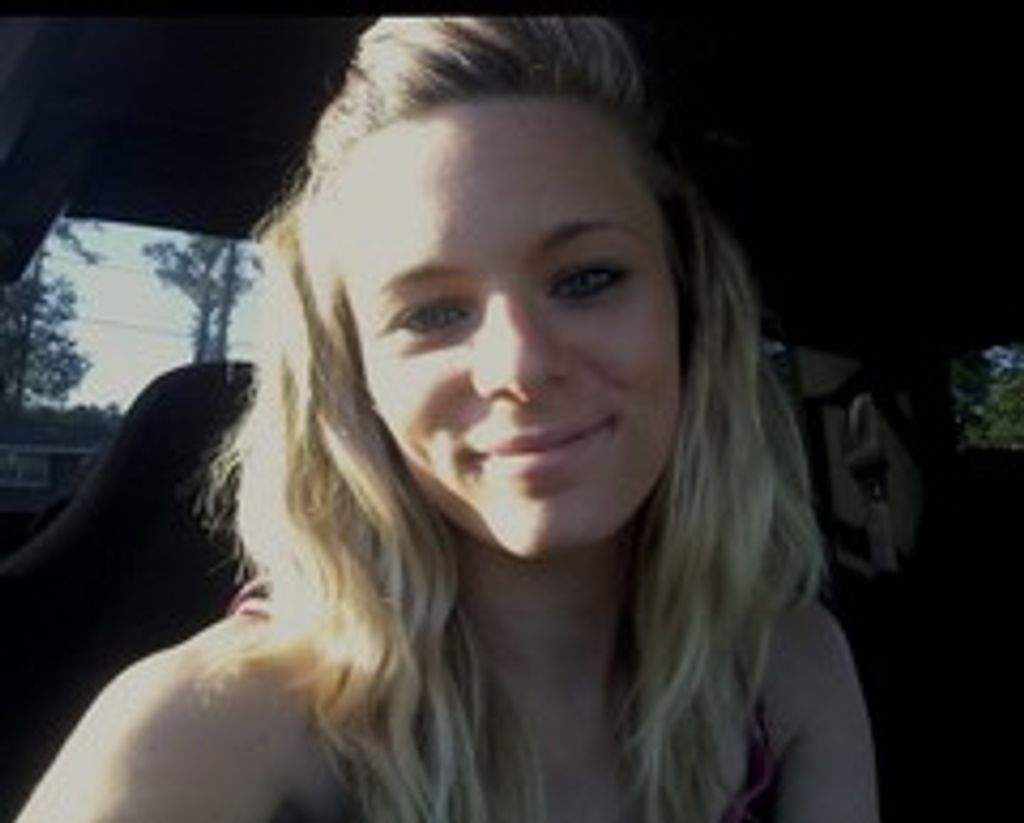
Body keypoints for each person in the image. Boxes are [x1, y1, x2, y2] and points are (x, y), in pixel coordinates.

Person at [16, 16, 879, 823]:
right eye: (431, 314)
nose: (519, 367)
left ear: (689, 313)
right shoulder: (206, 729)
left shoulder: (792, 673)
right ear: (352, 376)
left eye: (588, 279)